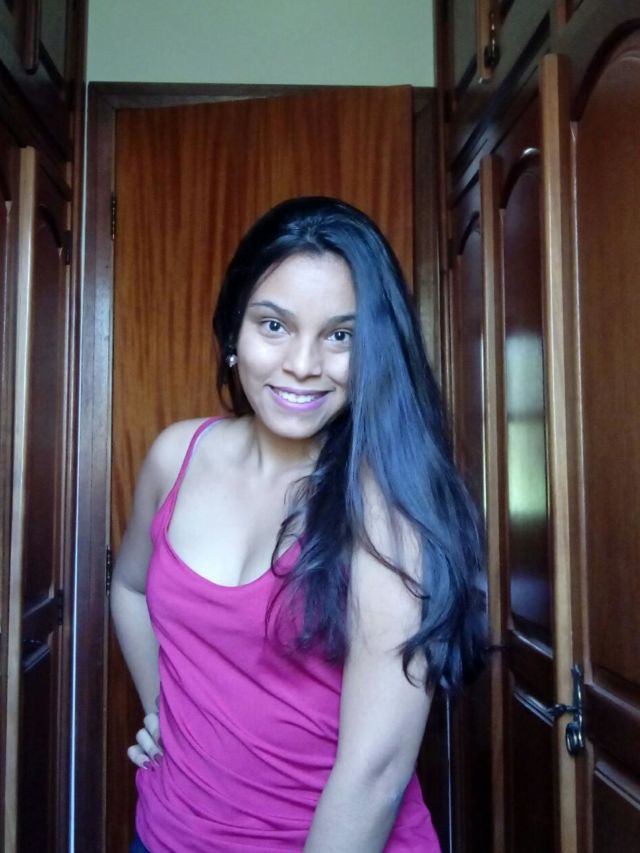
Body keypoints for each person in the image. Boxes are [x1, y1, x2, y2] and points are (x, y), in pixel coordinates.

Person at [111, 196, 485, 853]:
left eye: (341, 336)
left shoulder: (388, 510)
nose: (304, 363)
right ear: (233, 330)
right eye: (274, 325)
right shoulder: (178, 455)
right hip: (163, 831)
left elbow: (374, 775)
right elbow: (131, 587)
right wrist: (161, 709)